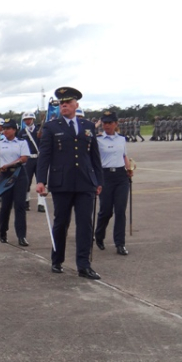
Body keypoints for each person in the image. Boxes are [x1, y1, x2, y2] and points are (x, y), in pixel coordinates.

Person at [36, 87, 104, 280]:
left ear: (76, 105)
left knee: (85, 224)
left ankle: (84, 265)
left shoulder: (88, 125)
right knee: (61, 222)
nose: (64, 105)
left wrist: (98, 180)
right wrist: (41, 180)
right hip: (61, 182)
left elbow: (94, 156)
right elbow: (45, 156)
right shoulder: (51, 127)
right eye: (61, 103)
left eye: (67, 102)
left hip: (85, 182)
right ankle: (57, 260)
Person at [94, 111, 133, 255]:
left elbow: (124, 155)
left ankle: (120, 243)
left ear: (116, 124)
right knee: (106, 210)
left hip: (121, 176)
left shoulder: (121, 139)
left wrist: (128, 168)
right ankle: (99, 234)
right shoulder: (98, 140)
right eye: (104, 123)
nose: (107, 125)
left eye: (110, 123)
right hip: (105, 176)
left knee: (120, 210)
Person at [0, 118, 30, 246]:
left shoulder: (22, 142)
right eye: (4, 128)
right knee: (5, 206)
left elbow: (24, 159)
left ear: (14, 130)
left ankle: (21, 236)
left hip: (19, 174)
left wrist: (8, 164)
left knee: (20, 206)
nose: (5, 131)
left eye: (8, 128)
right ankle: (3, 233)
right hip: (5, 175)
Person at [17, 112, 47, 213]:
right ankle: (26, 201)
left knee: (41, 180)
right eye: (26, 119)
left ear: (33, 119)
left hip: (39, 158)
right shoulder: (22, 132)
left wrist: (41, 135)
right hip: (28, 159)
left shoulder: (41, 129)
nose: (28, 121)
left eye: (29, 119)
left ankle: (41, 203)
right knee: (27, 181)